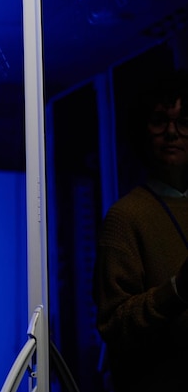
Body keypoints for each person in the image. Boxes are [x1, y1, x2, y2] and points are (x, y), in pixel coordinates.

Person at [94, 68, 188, 391]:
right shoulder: (125, 217)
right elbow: (112, 324)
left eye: (184, 121)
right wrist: (175, 291)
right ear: (143, 131)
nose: (173, 132)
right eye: (160, 120)